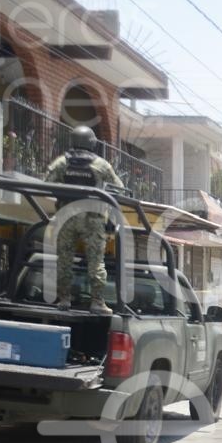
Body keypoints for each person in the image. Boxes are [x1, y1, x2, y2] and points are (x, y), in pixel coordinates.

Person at [44, 126, 125, 314]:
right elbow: (119, 189)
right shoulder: (101, 164)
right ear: (91, 142)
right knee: (96, 261)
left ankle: (64, 299)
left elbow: (47, 183)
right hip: (92, 218)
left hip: (66, 217)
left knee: (64, 259)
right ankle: (97, 302)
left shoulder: (61, 162)